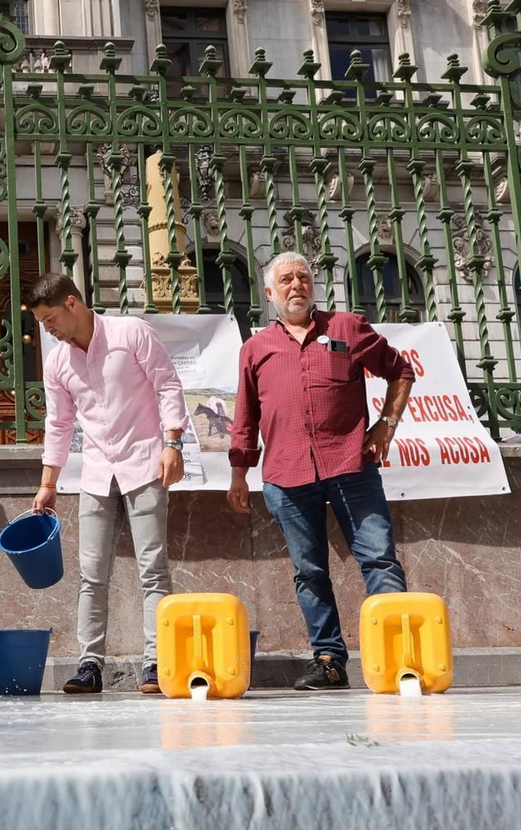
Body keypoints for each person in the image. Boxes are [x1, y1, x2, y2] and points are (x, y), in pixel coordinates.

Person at [227, 252, 415, 690]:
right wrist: (240, 473)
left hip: (351, 465)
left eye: (304, 277)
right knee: (309, 572)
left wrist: (386, 424)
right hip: (286, 476)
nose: (297, 285)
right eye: (286, 280)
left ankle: (401, 655)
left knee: (380, 560)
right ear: (269, 293)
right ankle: (329, 659)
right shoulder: (255, 349)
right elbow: (245, 417)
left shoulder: (347, 328)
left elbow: (400, 370)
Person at [28, 273, 188, 695]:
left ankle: (156, 663)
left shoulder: (130, 333)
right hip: (97, 474)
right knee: (91, 574)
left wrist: (173, 444)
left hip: (144, 464)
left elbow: (168, 385)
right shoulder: (58, 362)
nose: (48, 329)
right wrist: (49, 482)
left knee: (153, 570)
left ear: (72, 303)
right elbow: (59, 423)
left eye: (50, 319)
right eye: (43, 324)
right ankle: (89, 664)